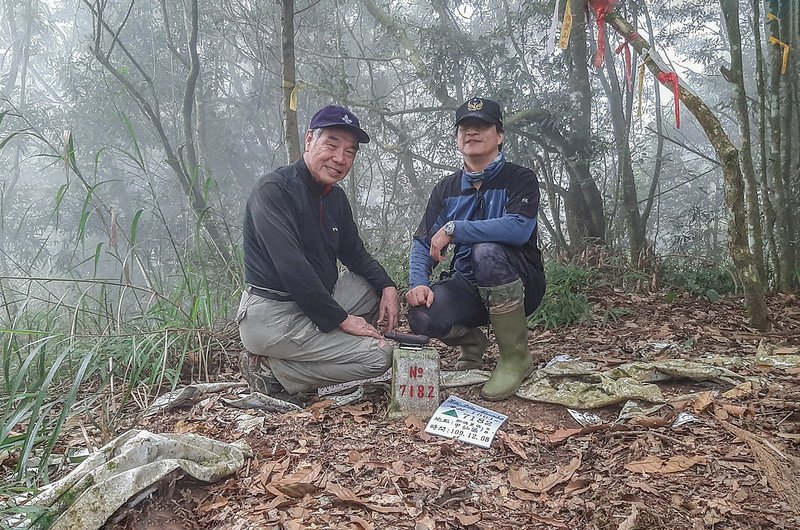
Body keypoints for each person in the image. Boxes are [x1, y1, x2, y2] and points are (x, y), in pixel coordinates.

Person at [237, 105, 400, 397]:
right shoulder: (274, 190)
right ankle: (275, 370)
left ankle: (306, 355)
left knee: (371, 286)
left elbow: (356, 254)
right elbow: (292, 269)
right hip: (273, 314)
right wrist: (343, 319)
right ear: (309, 139)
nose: (340, 159)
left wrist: (388, 285)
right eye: (332, 144)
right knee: (379, 356)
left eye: (350, 152)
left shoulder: (334, 198)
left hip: (313, 304)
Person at [406, 97, 546, 401]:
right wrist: (418, 282)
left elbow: (518, 228)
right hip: (468, 285)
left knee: (487, 251)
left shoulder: (520, 178)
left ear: (499, 135)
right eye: (465, 127)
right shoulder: (446, 189)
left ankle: (515, 358)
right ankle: (473, 342)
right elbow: (422, 241)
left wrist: (456, 229)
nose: (472, 132)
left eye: (482, 125)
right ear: (457, 138)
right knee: (421, 314)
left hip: (520, 281)